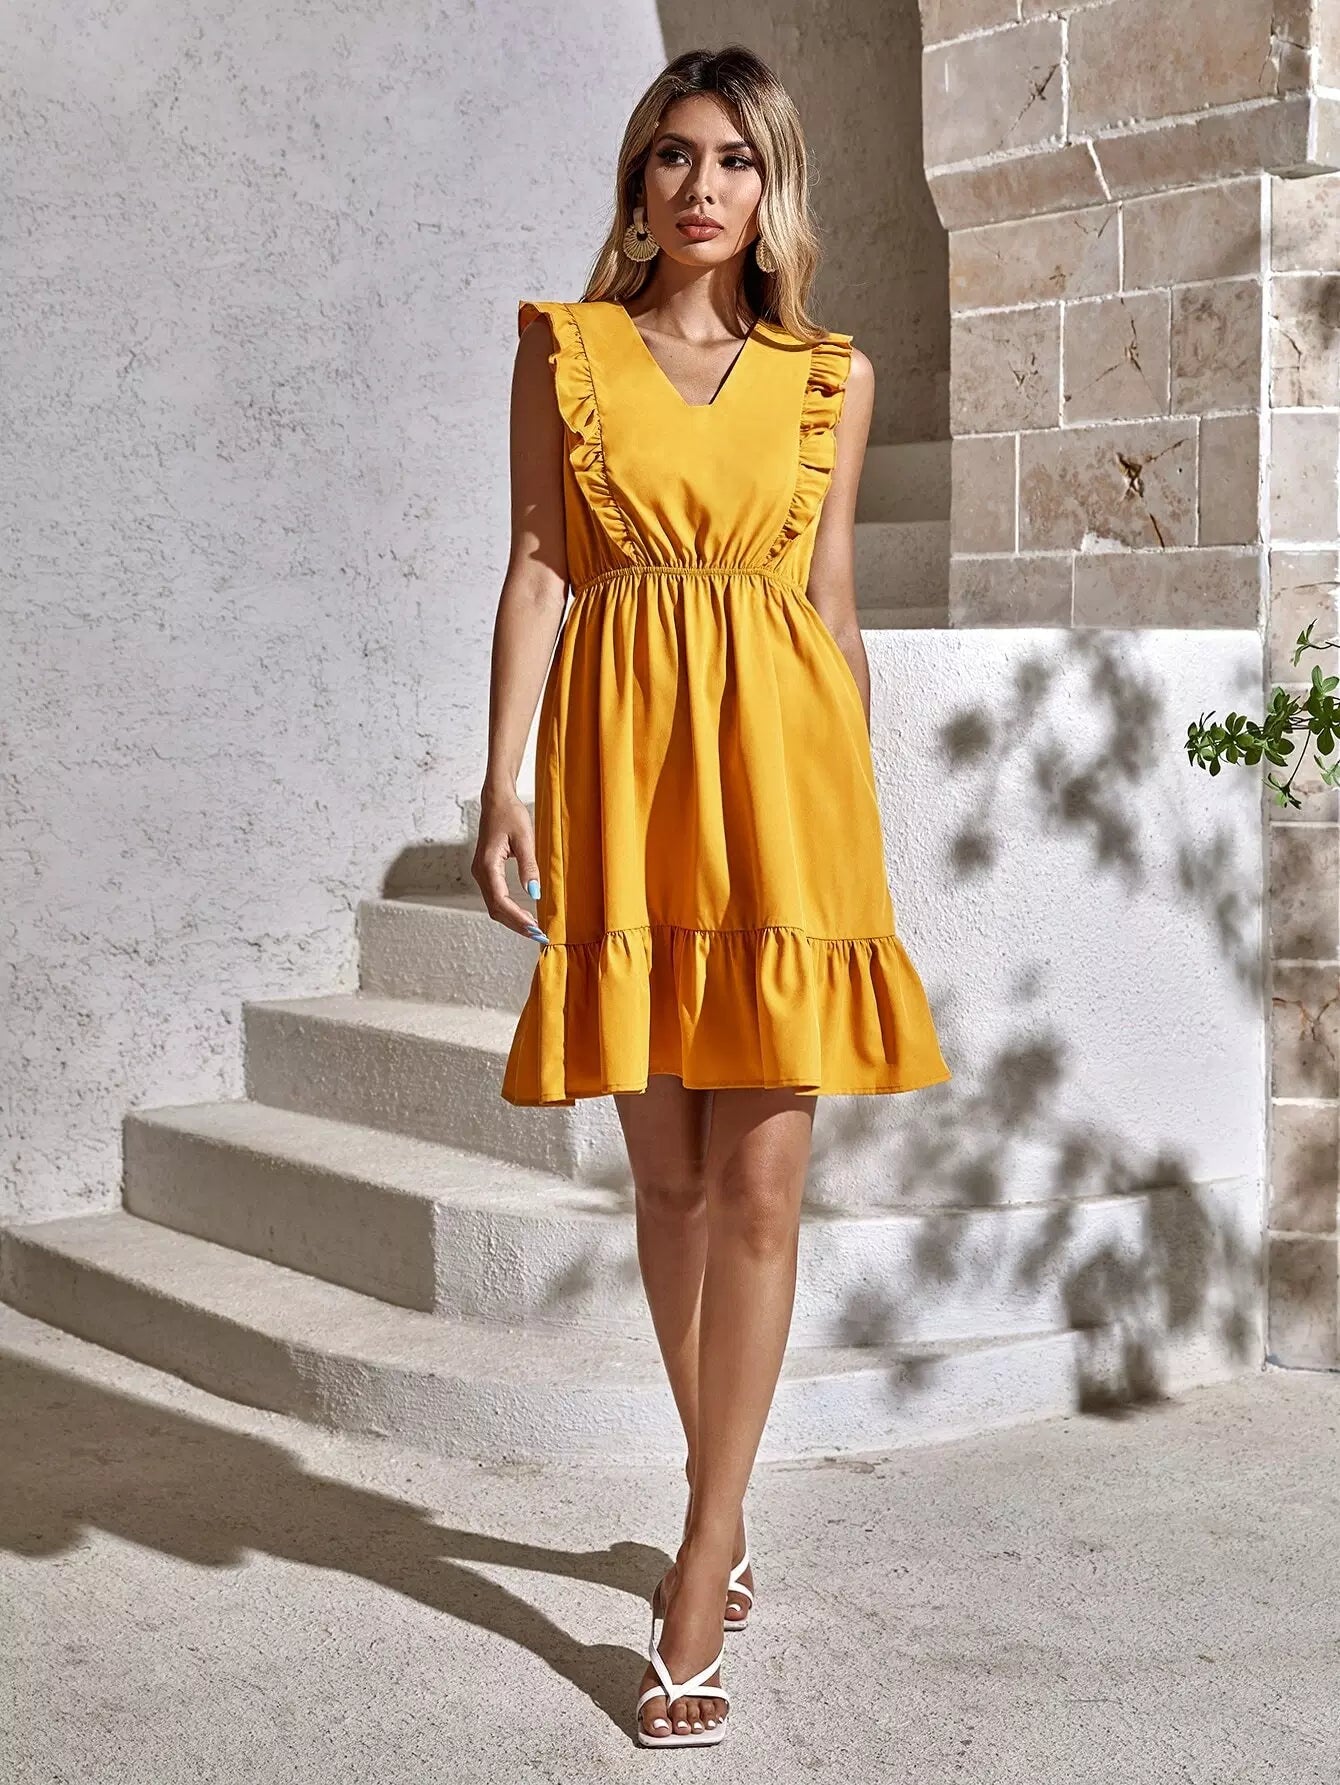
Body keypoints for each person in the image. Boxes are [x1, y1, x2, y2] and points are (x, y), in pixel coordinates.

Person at [472, 43, 951, 1748]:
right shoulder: (566, 353)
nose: (703, 187)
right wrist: (502, 780)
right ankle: (719, 1497)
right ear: (640, 182)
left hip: (786, 797)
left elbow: (833, 611)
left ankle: (700, 1554)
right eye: (675, 156)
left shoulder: (830, 377)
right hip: (626, 787)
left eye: (736, 159)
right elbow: (541, 565)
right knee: (668, 1181)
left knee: (760, 1184)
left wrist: (854, 830)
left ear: (772, 190)